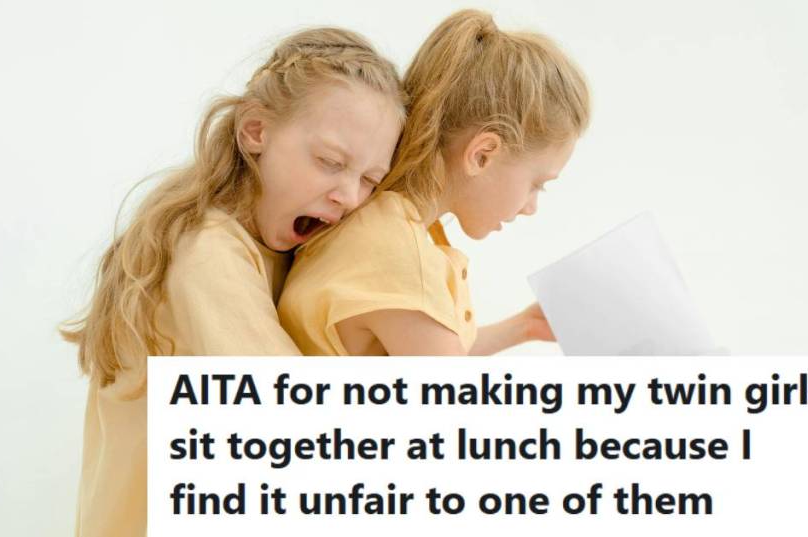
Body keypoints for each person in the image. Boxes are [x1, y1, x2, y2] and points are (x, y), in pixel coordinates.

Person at [61, 28, 405, 536]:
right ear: (255, 131)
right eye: (331, 163)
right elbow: (296, 420)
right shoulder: (206, 251)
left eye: (371, 180)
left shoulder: (276, 249)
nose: (350, 196)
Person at [278, 9, 590, 356]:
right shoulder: (405, 264)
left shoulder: (376, 224)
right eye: (536, 183)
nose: (531, 207)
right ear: (482, 154)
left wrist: (522, 328)